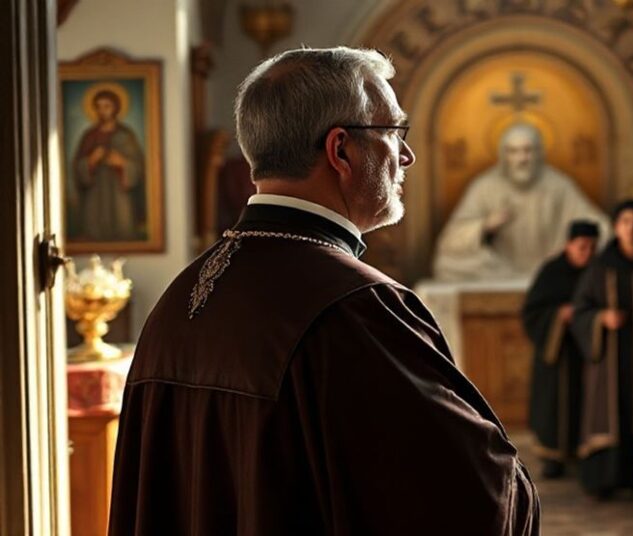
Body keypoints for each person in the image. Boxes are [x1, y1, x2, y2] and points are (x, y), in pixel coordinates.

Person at [109, 47, 539, 535]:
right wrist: (517, 485)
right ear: (341, 150)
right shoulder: (357, 310)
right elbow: (473, 498)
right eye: (394, 132)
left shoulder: (178, 301)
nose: (407, 155)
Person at [432, 122, 609, 281]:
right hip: (499, 271)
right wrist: (485, 226)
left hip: (552, 269)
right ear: (504, 155)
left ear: (539, 153)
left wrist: (576, 248)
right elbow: (450, 241)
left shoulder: (559, 185)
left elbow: (599, 225)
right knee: (447, 264)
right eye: (514, 151)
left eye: (528, 150)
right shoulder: (485, 186)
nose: (522, 158)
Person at [571, 200, 633, 498]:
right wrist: (601, 318)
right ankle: (605, 479)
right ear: (616, 227)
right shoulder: (601, 267)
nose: (631, 228)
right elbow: (581, 310)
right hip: (610, 358)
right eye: (625, 222)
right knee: (611, 411)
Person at [521, 220, 599, 479]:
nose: (586, 253)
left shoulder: (597, 271)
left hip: (586, 350)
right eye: (581, 247)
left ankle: (581, 453)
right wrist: (558, 315)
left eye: (591, 248)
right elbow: (531, 312)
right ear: (568, 245)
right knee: (554, 404)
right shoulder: (552, 271)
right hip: (557, 353)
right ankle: (553, 457)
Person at [72, 89, 145, 241]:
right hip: (95, 194)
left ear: (115, 108)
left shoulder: (125, 135)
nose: (102, 111)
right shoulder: (89, 135)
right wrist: (90, 160)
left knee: (123, 227)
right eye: (98, 107)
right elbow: (77, 167)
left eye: (107, 106)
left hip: (119, 194)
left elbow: (138, 167)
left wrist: (123, 163)